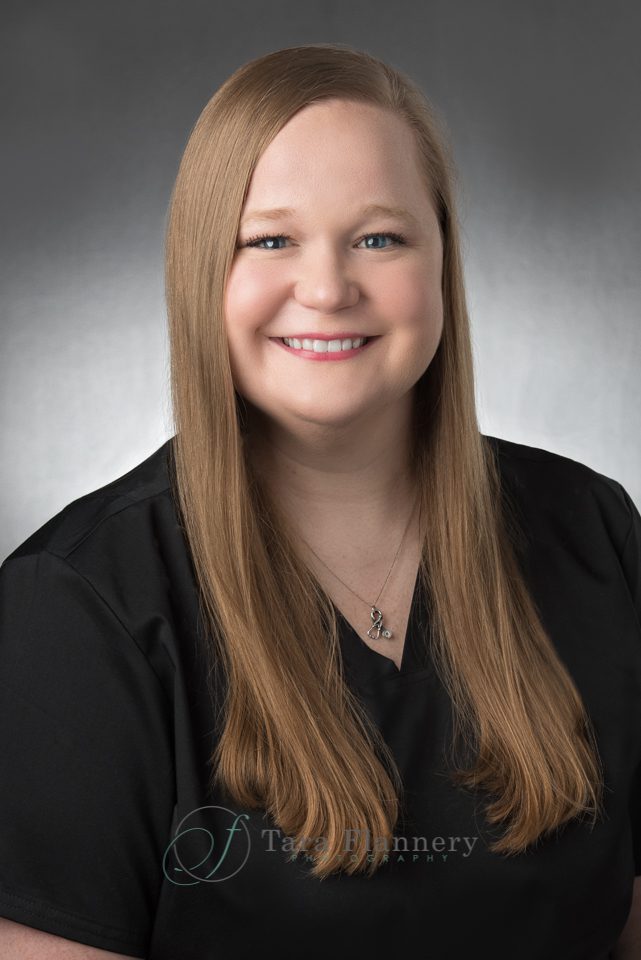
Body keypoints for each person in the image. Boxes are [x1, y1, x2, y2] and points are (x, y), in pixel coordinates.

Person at [0, 42, 639, 960]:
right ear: (201, 273)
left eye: (379, 236)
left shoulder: (596, 535)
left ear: (441, 262)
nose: (329, 288)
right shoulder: (77, 606)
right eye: (270, 240)